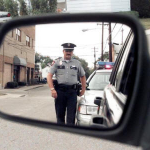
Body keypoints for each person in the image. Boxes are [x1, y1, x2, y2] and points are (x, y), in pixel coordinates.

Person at [47, 43, 86, 125]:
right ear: (63, 51)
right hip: (60, 92)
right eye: (67, 50)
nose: (68, 52)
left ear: (73, 52)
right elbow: (49, 76)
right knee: (60, 115)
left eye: (70, 51)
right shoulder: (57, 62)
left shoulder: (77, 63)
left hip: (72, 92)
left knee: (71, 116)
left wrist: (83, 89)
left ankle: (70, 133)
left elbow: (82, 76)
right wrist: (52, 89)